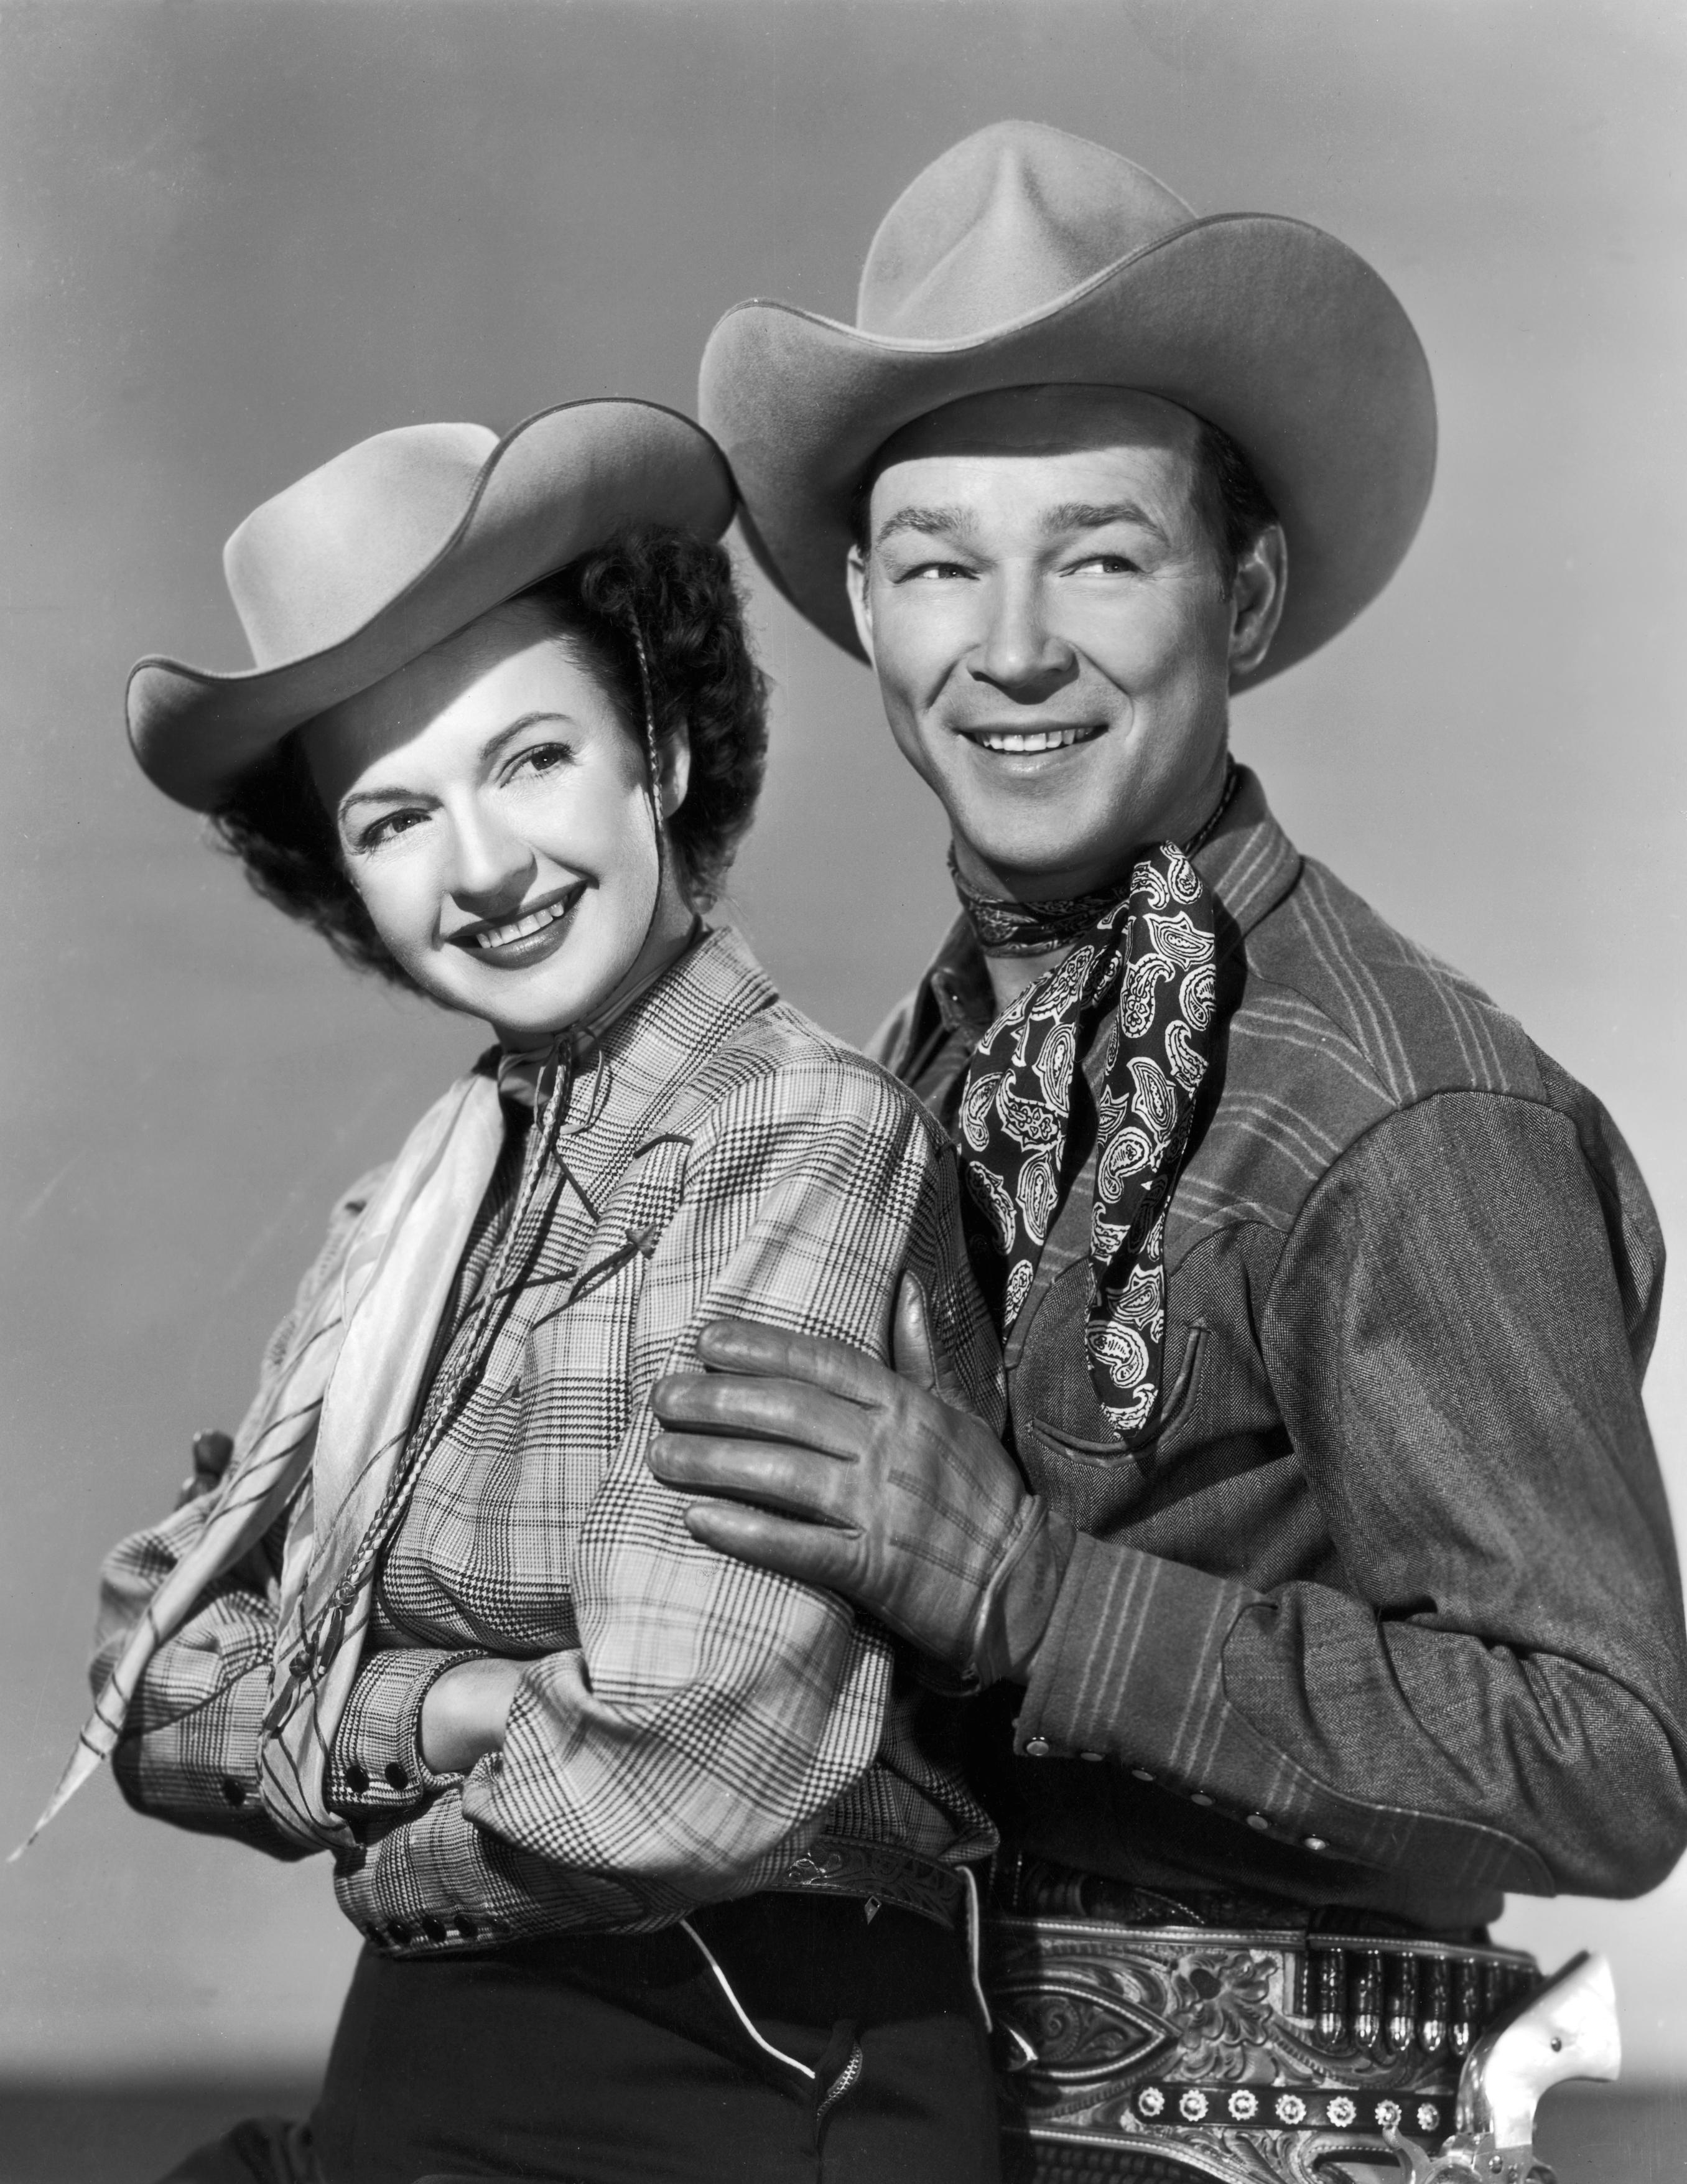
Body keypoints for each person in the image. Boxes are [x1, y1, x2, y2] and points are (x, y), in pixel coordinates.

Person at [646, 121, 1687, 2180]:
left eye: (1103, 555)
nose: (1010, 645)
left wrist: (1028, 1590)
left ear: (1251, 589)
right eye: (942, 559)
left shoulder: (1401, 1108)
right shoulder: (921, 1065)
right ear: (864, 605)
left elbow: (1606, 1768)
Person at [40, 401, 1006, 2184]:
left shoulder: (793, 1138)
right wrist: (469, 1709)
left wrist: (354, 1763)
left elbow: (679, 1757)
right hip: (439, 2087)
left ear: (663, 752)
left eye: (532, 761)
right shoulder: (418, 1205)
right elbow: (152, 1682)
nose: (481, 868)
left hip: (742, 2088)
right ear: (342, 876)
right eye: (396, 815)